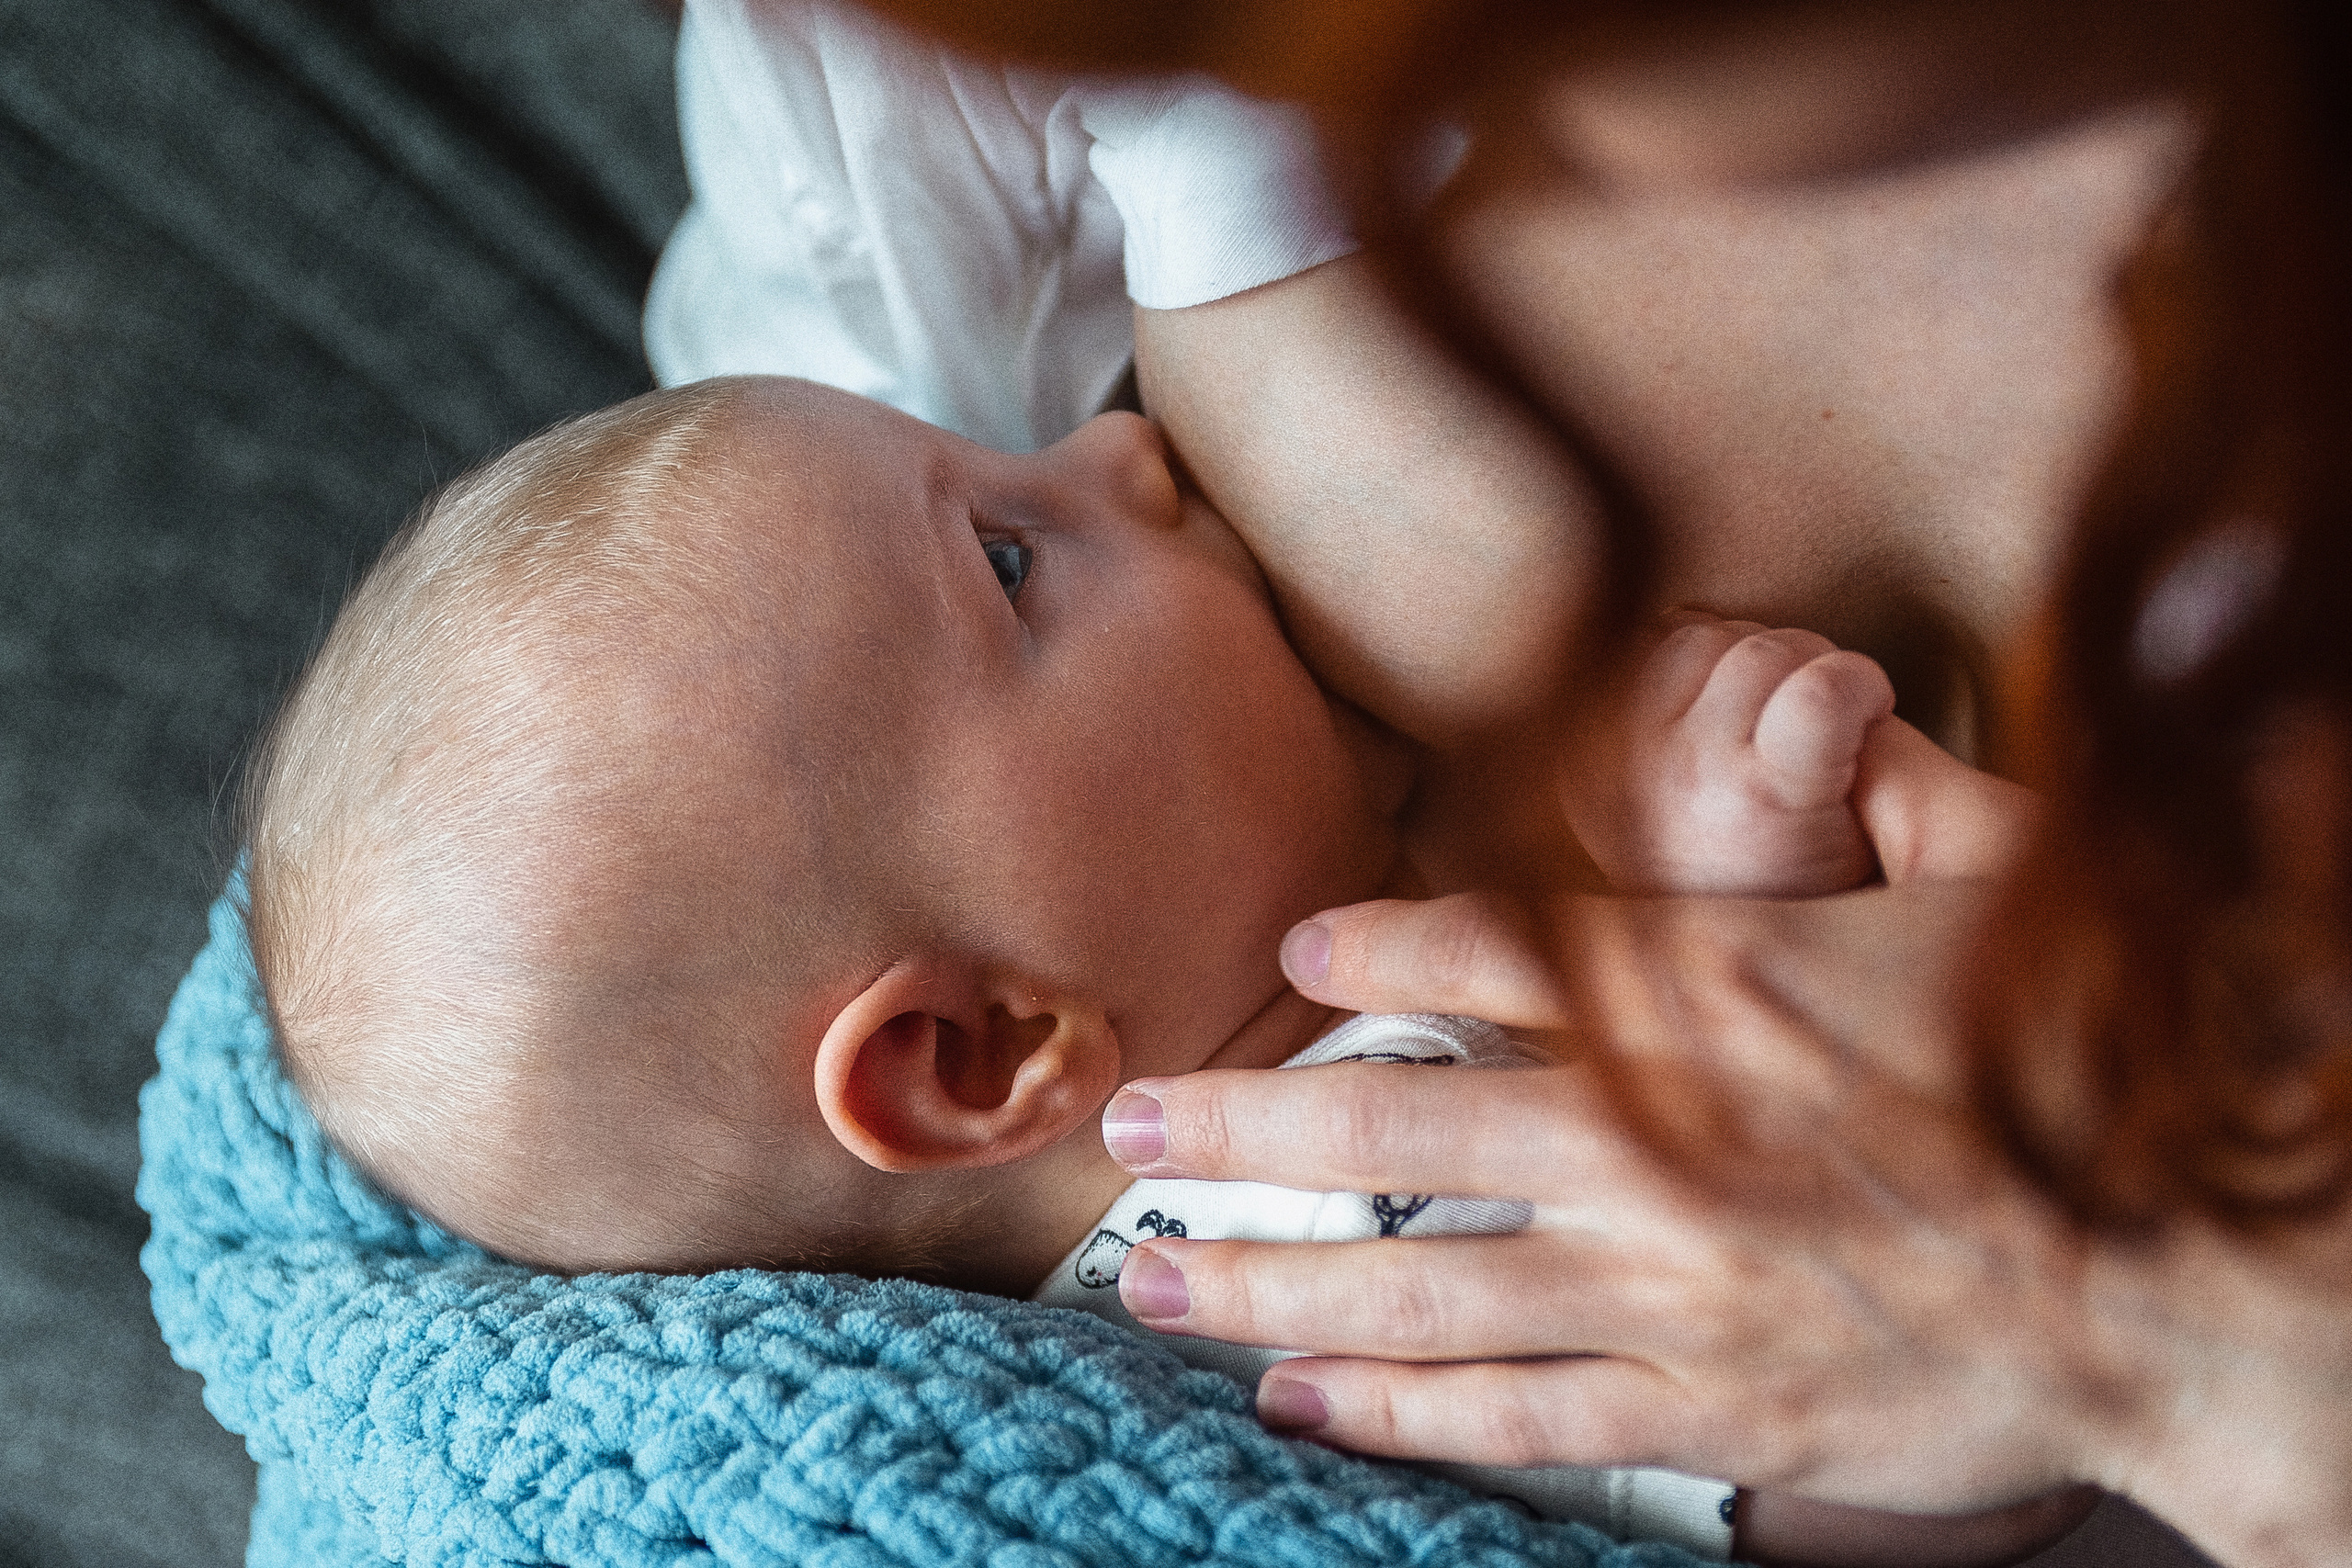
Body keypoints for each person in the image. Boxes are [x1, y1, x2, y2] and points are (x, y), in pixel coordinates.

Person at [777, 2, 2352, 1564]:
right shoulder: (1233, 1267)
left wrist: (2191, 1312)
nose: (1112, 448)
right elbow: (1800, 1378)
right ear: (978, 1052)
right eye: (1009, 553)